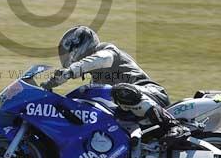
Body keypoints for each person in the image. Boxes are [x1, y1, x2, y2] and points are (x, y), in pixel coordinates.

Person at [42, 25, 188, 144]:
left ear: (79, 45)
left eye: (68, 52)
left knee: (120, 90)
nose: (67, 57)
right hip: (132, 111)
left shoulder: (106, 51)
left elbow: (100, 60)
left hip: (151, 94)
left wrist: (70, 71)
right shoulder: (96, 80)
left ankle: (174, 126)